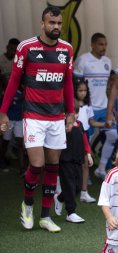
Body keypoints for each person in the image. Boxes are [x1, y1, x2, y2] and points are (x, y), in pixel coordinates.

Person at [0, 6, 75, 232]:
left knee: (53, 165)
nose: (56, 27)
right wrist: (3, 111)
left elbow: (68, 82)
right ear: (42, 24)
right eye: (52, 23)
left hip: (56, 116)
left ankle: (45, 216)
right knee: (37, 164)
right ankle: (28, 205)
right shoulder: (26, 47)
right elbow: (14, 81)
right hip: (33, 115)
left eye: (59, 24)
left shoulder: (67, 49)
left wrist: (71, 112)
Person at [74, 33, 118, 179]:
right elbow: (76, 84)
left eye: (105, 44)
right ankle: (81, 172)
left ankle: (101, 168)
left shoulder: (107, 61)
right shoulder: (83, 60)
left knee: (112, 135)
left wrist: (111, 107)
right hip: (88, 109)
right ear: (92, 45)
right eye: (100, 44)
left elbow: (107, 87)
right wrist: (79, 105)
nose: (103, 47)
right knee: (85, 141)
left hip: (104, 107)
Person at [54, 103, 93, 223]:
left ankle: (60, 198)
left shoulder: (80, 125)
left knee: (77, 186)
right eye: (72, 114)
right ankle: (71, 212)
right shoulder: (61, 126)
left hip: (78, 159)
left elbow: (85, 140)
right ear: (65, 115)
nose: (75, 116)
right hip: (65, 160)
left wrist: (88, 154)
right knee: (69, 186)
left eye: (76, 114)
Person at [73, 77, 105, 202]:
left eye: (85, 91)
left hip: (84, 134)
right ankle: (60, 189)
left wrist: (104, 125)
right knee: (68, 163)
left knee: (85, 164)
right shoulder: (70, 103)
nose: (82, 93)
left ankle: (84, 192)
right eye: (80, 90)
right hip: (72, 134)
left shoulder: (87, 105)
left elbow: (91, 122)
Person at [0, 38, 23, 173]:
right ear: (7, 46)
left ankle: (21, 166)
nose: (13, 51)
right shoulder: (1, 60)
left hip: (16, 97)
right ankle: (2, 158)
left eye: (16, 50)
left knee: (18, 140)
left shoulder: (19, 61)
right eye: (12, 49)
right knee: (4, 138)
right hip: (4, 96)